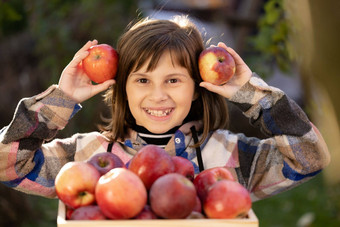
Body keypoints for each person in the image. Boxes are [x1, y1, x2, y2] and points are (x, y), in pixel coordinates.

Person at [0, 16, 330, 202]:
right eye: (142, 81)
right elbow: (8, 165)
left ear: (199, 85)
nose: (158, 95)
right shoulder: (86, 157)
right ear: (121, 87)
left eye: (173, 80)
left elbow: (310, 157)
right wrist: (62, 100)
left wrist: (252, 95)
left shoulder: (230, 156)